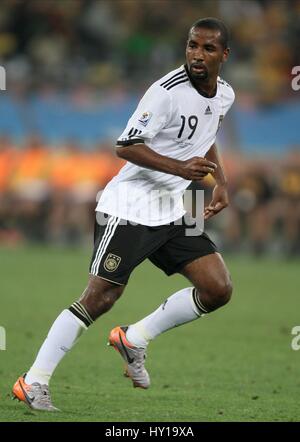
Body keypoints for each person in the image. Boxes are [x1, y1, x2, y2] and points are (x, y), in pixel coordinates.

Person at [12, 17, 235, 411]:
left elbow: (208, 133)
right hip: (129, 205)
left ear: (224, 55)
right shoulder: (165, 93)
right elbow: (126, 146)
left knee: (217, 288)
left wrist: (221, 179)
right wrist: (182, 170)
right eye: (191, 46)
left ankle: (134, 338)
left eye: (207, 48)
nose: (197, 55)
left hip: (170, 209)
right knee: (101, 297)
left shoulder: (225, 95)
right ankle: (33, 381)